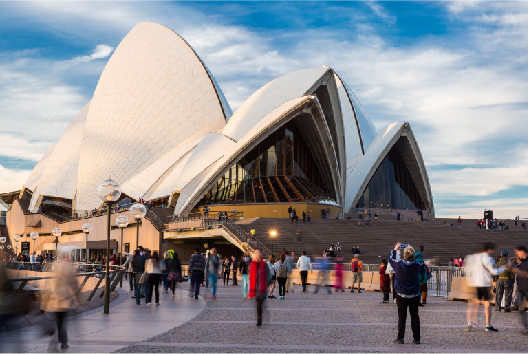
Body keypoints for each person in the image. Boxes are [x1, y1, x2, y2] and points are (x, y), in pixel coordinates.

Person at [464, 242, 507, 332]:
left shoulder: (472, 257)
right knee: (487, 303)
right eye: (492, 250)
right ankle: (488, 325)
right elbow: (494, 272)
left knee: (473, 303)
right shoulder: (488, 258)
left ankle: (470, 322)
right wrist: (504, 268)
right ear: (489, 249)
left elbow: (466, 269)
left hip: (473, 282)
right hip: (484, 283)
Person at [390, 242, 423, 345]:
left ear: (404, 255)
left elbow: (392, 259)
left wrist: (396, 249)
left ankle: (400, 338)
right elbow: (420, 260)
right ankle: (416, 338)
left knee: (402, 317)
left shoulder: (398, 265)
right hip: (414, 294)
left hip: (401, 294)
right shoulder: (417, 265)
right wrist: (411, 250)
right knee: (414, 316)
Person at [41, 259, 78, 350]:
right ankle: (63, 342)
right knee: (61, 323)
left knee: (57, 322)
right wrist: (78, 300)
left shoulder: (53, 275)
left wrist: (43, 306)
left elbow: (47, 291)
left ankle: (56, 343)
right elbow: (75, 286)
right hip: (65, 303)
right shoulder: (68, 275)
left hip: (54, 303)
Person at [248, 249, 270, 326]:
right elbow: (250, 275)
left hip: (262, 287)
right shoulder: (252, 264)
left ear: (260, 254)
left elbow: (268, 275)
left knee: (260, 303)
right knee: (258, 304)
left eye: (258, 253)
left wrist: (267, 283)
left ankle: (260, 317)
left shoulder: (264, 264)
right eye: (255, 253)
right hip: (255, 288)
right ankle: (259, 318)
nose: (256, 254)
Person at [511, 246, 528, 335]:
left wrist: (520, 273)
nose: (516, 254)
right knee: (521, 310)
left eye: (517, 252)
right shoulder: (521, 263)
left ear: (522, 251)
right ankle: (526, 328)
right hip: (521, 288)